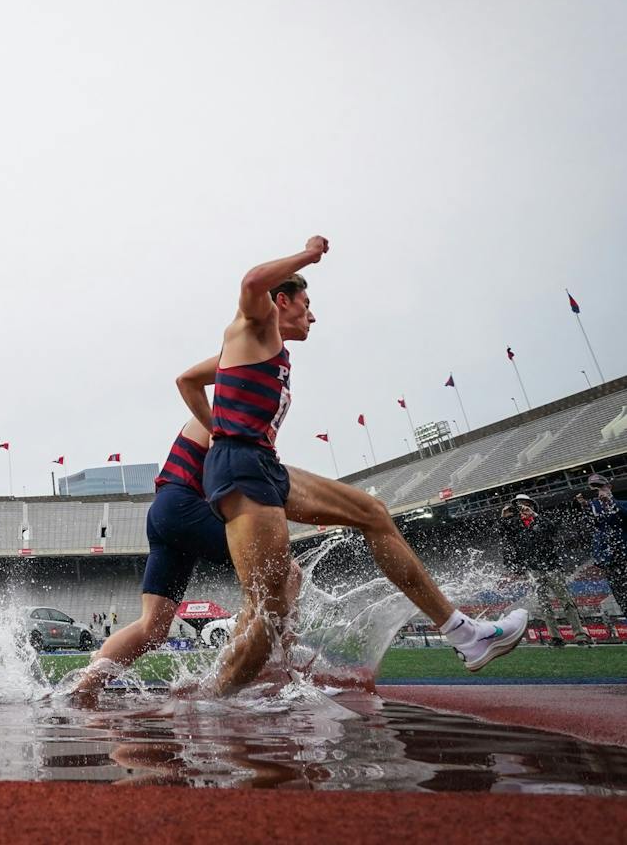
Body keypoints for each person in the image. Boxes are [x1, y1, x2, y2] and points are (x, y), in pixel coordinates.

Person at [194, 236, 526, 694]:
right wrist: (308, 256)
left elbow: (187, 379)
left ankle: (465, 634)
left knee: (372, 513)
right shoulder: (255, 324)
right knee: (270, 609)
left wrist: (217, 426)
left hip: (261, 463)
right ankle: (214, 705)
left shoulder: (264, 351)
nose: (313, 315)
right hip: (240, 467)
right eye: (306, 303)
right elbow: (253, 281)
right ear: (283, 300)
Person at [63, 416, 300, 696]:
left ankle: (82, 689)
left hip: (167, 511)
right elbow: (227, 472)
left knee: (152, 628)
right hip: (185, 506)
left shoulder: (233, 417)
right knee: (287, 572)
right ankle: (276, 670)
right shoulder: (226, 412)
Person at [500, 494, 590, 646]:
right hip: (534, 570)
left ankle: (579, 634)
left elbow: (553, 529)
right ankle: (555, 636)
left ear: (531, 506)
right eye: (518, 505)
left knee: (566, 602)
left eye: (524, 504)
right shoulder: (515, 525)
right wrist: (503, 517)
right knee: (544, 604)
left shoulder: (541, 520)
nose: (521, 508)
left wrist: (534, 515)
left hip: (552, 567)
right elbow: (503, 534)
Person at [579, 473, 627, 620]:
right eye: (594, 489)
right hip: (610, 562)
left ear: (609, 487)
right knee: (623, 600)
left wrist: (610, 502)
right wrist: (585, 508)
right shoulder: (594, 511)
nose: (598, 491)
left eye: (601, 487)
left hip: (625, 555)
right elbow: (589, 529)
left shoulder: (623, 504)